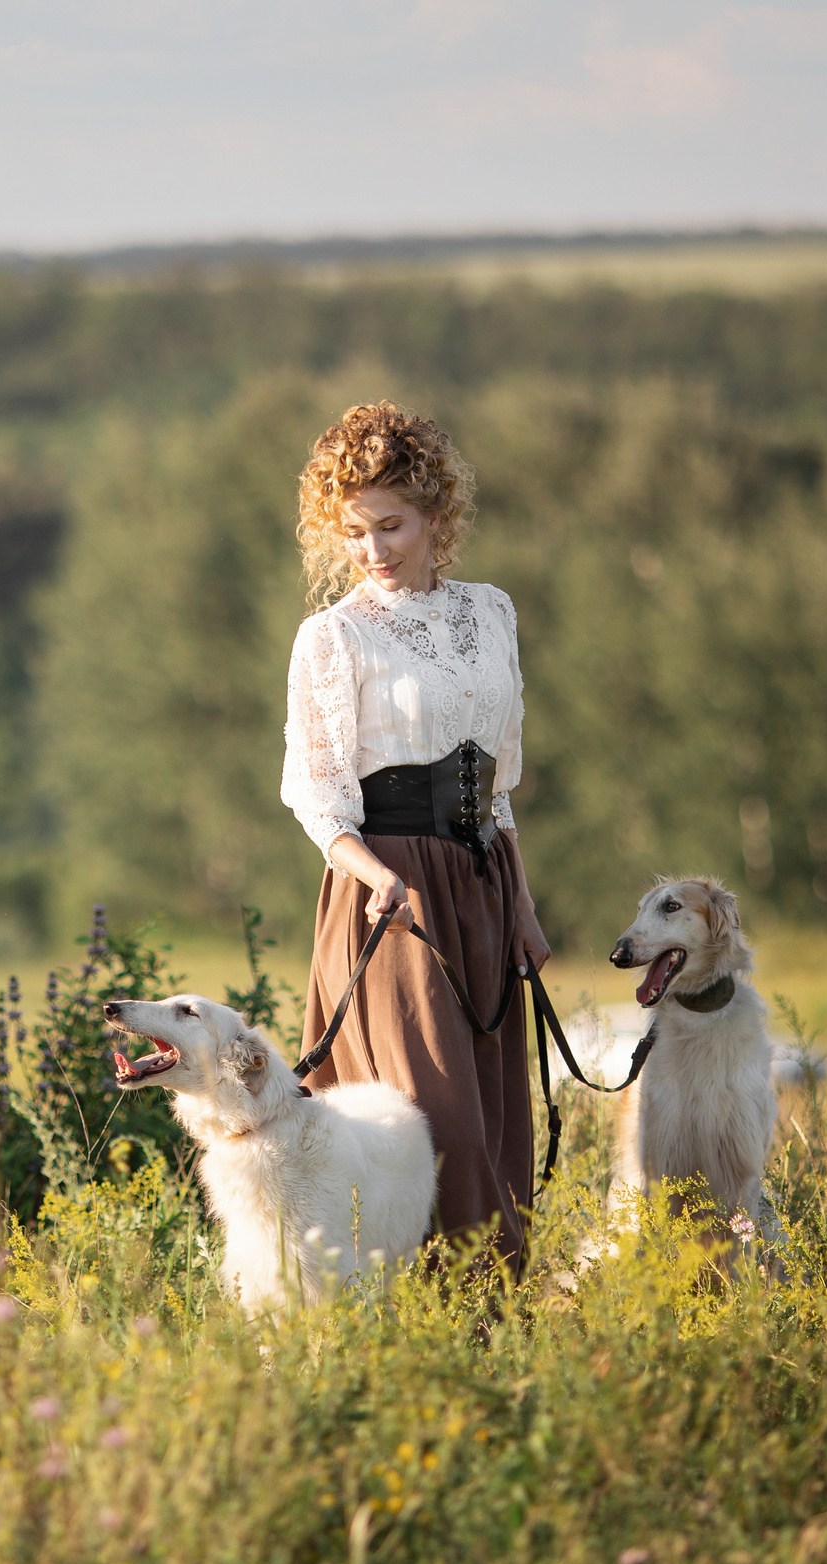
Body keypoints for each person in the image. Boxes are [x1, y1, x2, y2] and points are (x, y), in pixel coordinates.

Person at [280, 400, 552, 1275]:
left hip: (482, 886)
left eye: (390, 526)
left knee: (502, 1130)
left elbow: (499, 784)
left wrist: (522, 906)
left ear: (437, 512)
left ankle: (494, 1342)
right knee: (440, 1135)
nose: (373, 551)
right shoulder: (335, 637)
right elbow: (316, 796)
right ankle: (425, 1328)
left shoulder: (494, 611)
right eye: (354, 534)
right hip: (390, 900)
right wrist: (373, 877)